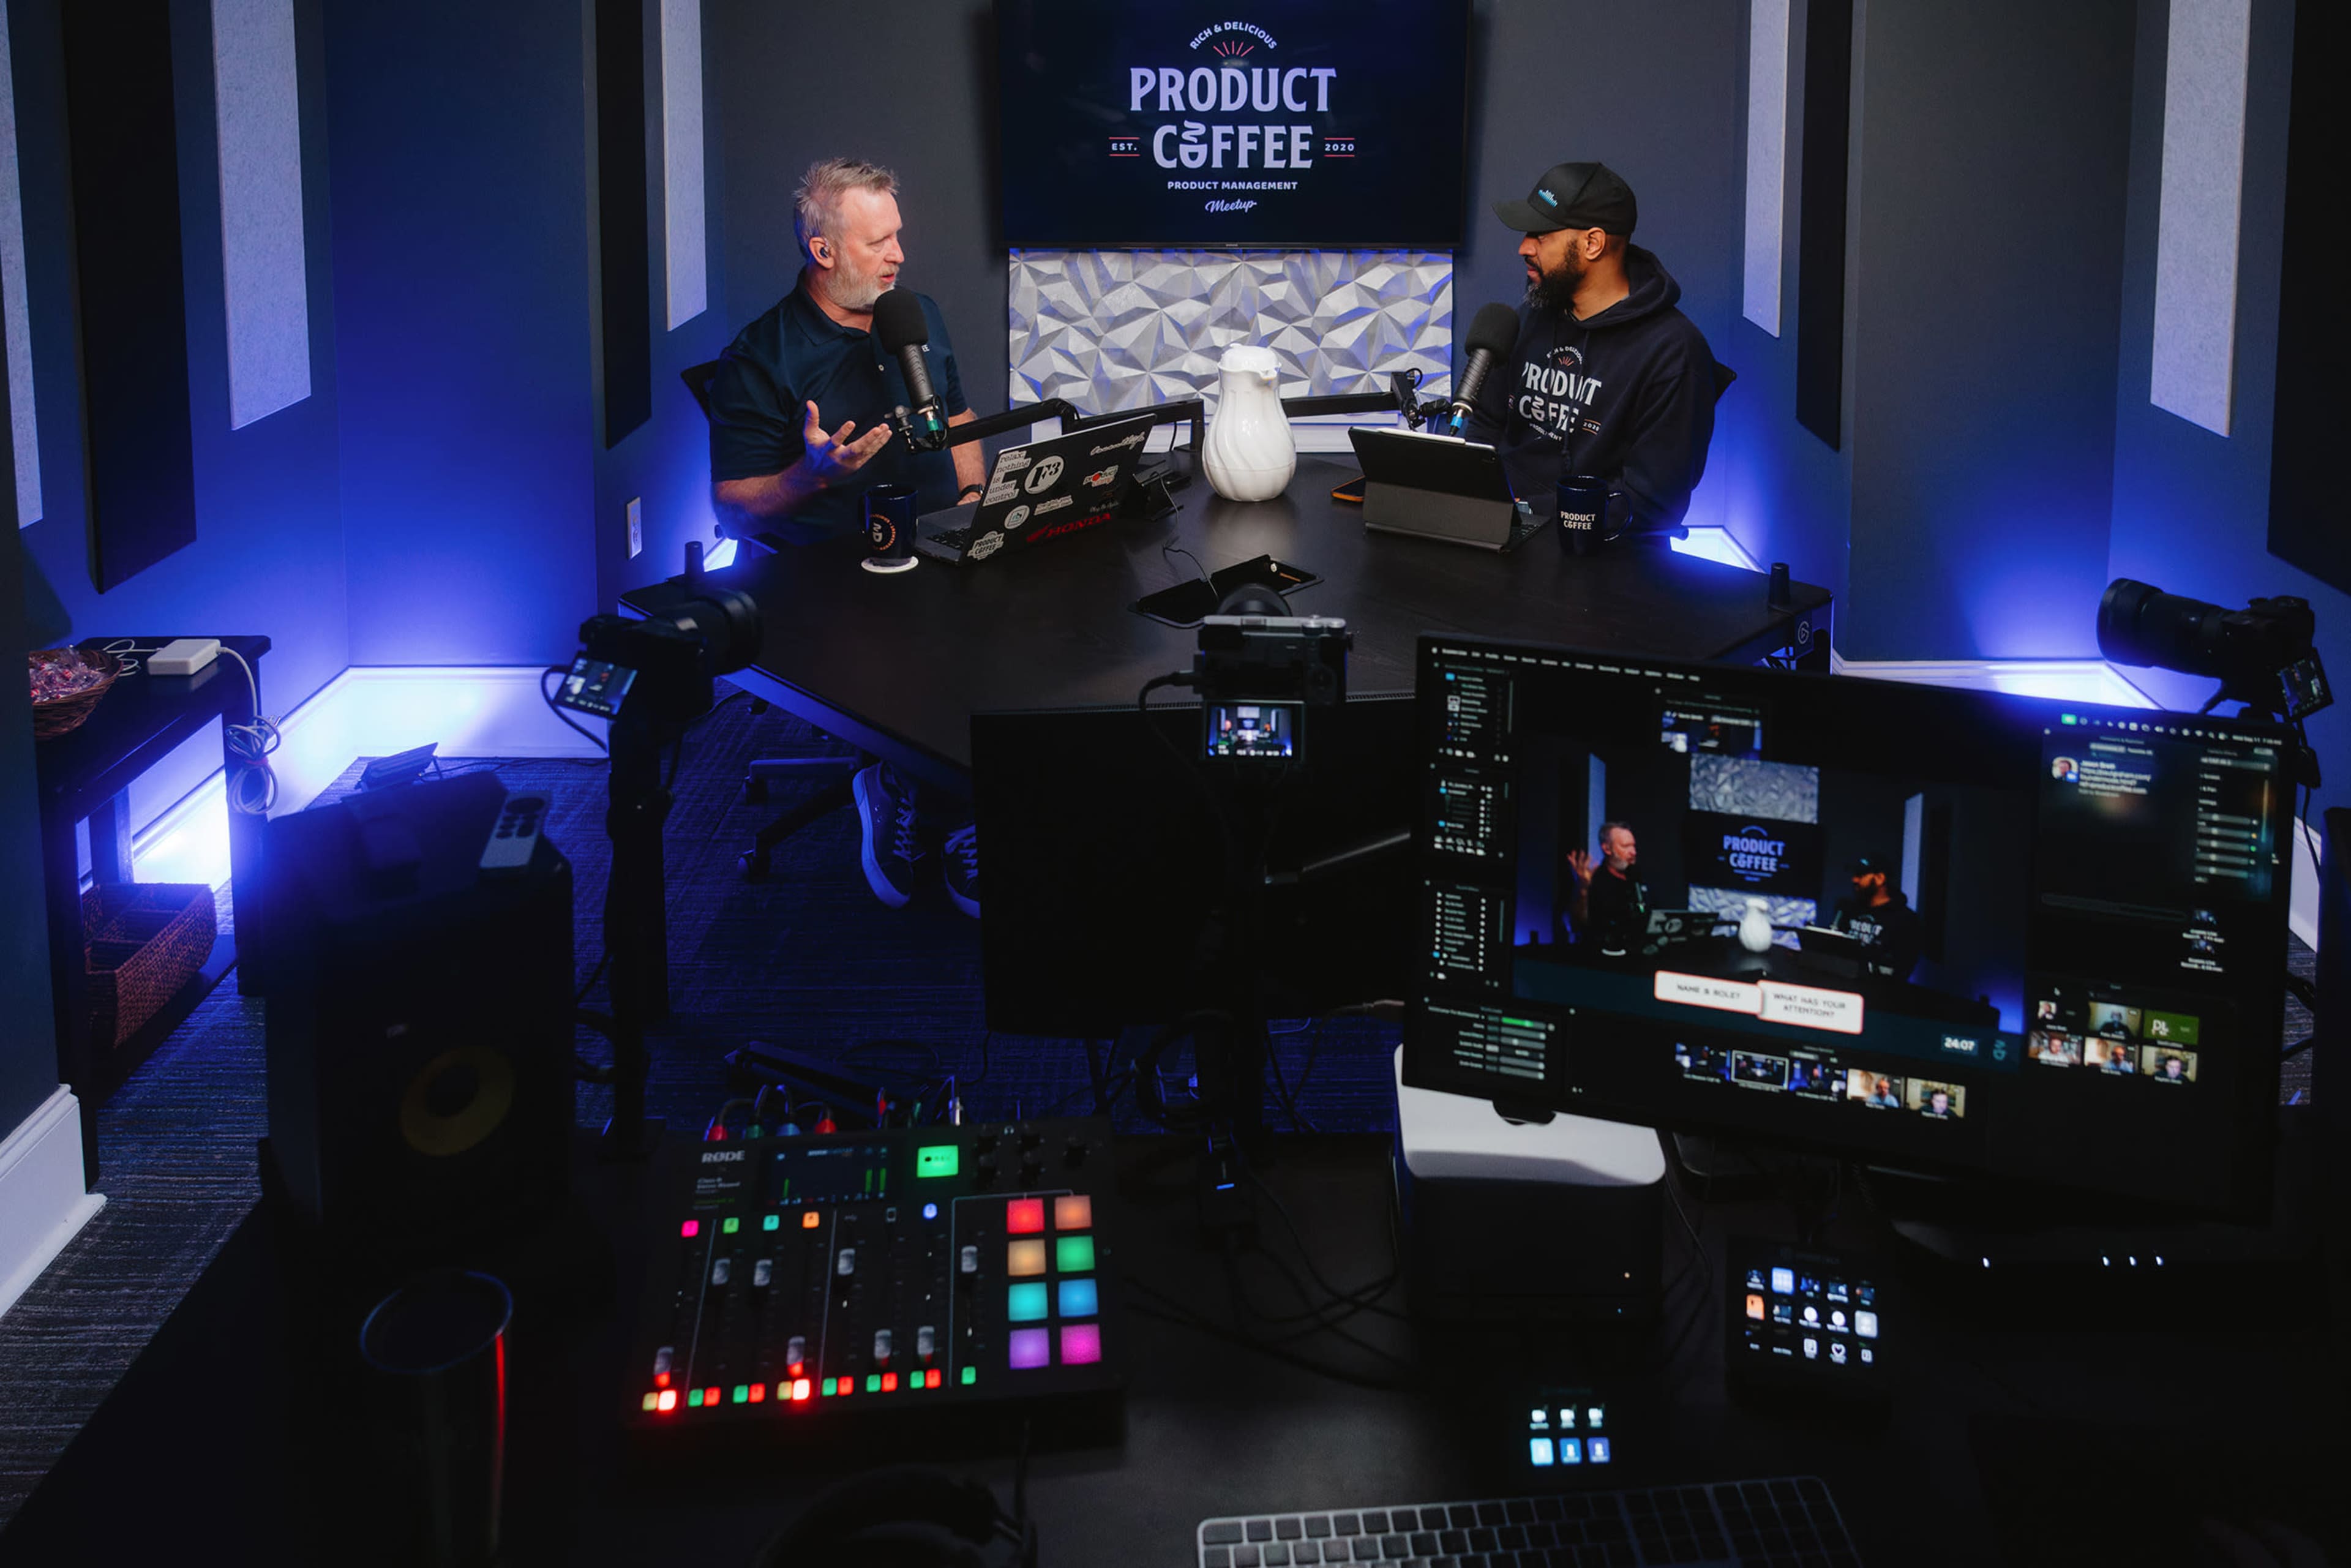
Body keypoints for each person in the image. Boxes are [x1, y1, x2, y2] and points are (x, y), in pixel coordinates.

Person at [705, 159, 986, 915]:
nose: (900, 255)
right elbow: (733, 511)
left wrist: (971, 499)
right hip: (832, 569)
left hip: (939, 542)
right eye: (879, 242)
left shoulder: (912, 314)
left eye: (899, 236)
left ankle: (940, 786)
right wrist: (811, 476)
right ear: (824, 251)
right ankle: (934, 803)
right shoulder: (761, 356)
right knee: (918, 650)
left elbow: (956, 416)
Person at [1465, 162, 1726, 540]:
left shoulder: (1675, 353)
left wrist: (1525, 513)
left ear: (1593, 243)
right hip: (1505, 532)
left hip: (1602, 558)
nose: (1523, 247)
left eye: (1541, 235)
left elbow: (1653, 502)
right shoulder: (1530, 317)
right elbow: (1485, 424)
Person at [1829, 854, 1924, 981]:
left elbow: (1901, 969)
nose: (1855, 880)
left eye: (1861, 875)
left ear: (1880, 878)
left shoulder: (1906, 920)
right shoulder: (1846, 909)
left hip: (1878, 992)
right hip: (1839, 985)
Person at [1566, 820, 1647, 951]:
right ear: (1607, 849)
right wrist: (1583, 890)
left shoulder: (1638, 878)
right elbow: (1577, 925)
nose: (1633, 852)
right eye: (1626, 846)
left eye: (1633, 846)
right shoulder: (1596, 881)